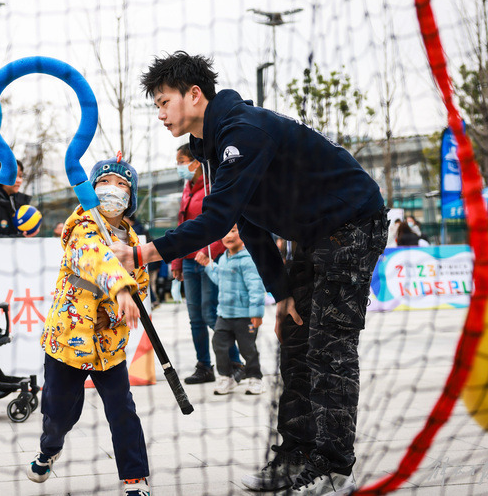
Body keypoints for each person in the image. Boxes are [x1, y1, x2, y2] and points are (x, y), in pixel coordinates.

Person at [110, 51, 387, 495]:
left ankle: (334, 467)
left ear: (194, 95)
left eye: (164, 102)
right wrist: (280, 295)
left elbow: (219, 220)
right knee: (296, 340)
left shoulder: (241, 132)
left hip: (353, 225)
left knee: (328, 346)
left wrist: (145, 253)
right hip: (313, 236)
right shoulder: (213, 147)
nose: (160, 114)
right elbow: (252, 222)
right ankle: (295, 456)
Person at [28, 156, 151, 496]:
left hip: (109, 346)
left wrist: (113, 313)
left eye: (122, 184)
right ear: (92, 190)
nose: (113, 189)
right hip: (67, 341)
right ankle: (49, 450)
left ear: (132, 197)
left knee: (122, 409)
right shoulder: (81, 228)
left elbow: (140, 286)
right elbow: (93, 257)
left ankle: (135, 478)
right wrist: (120, 288)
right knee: (59, 414)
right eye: (105, 182)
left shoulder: (134, 243)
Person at [173, 143, 244, 384]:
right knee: (195, 318)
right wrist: (177, 263)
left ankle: (235, 362)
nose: (179, 167)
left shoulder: (212, 186)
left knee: (211, 313)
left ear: (195, 163)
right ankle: (204, 366)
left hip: (209, 260)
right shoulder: (187, 189)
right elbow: (182, 226)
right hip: (190, 261)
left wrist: (208, 253)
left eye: (181, 162)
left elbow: (220, 224)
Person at [195, 225, 265, 396]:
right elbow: (221, 279)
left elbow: (256, 287)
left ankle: (256, 378)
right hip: (224, 315)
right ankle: (226, 377)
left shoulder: (248, 260)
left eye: (234, 231)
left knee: (248, 348)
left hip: (244, 316)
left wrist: (256, 313)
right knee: (219, 345)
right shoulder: (224, 258)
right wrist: (209, 265)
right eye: (225, 231)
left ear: (243, 234)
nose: (228, 235)